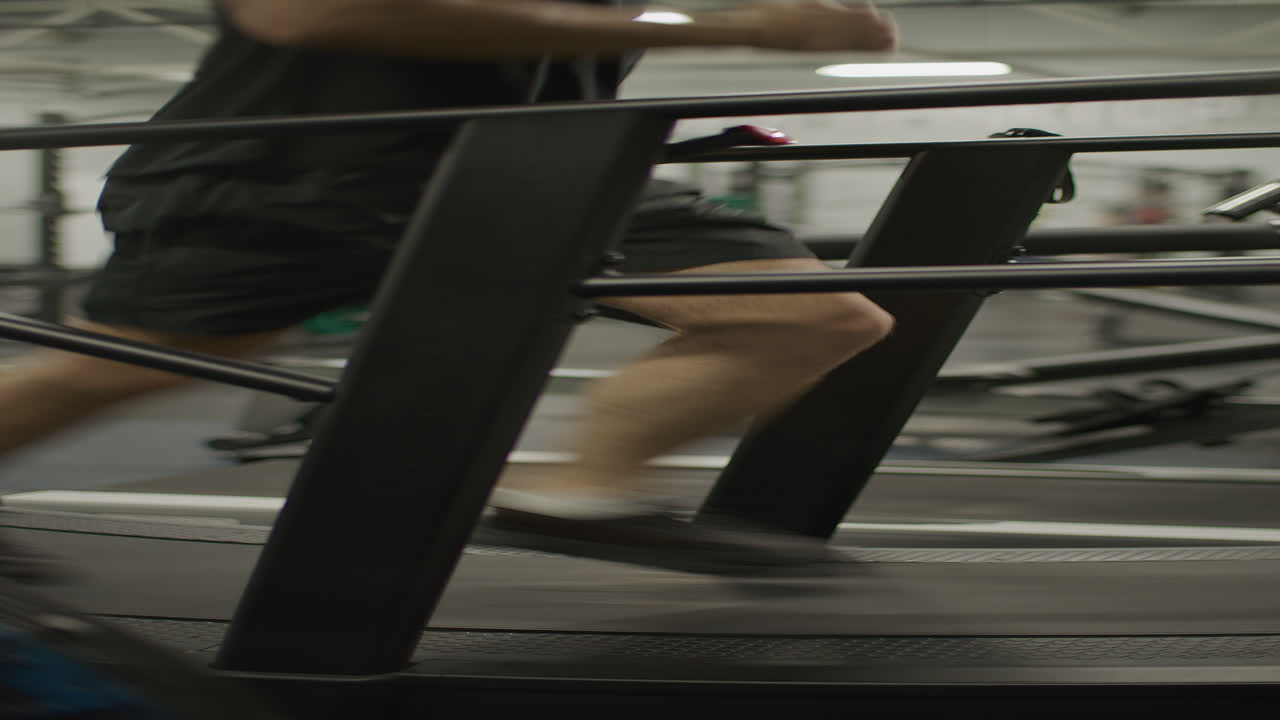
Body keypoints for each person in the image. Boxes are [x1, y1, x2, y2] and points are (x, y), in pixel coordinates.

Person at [0, 0, 898, 578]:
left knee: (809, 317)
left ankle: (574, 495)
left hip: (544, 164)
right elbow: (308, 15)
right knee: (133, 366)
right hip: (297, 170)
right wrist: (733, 31)